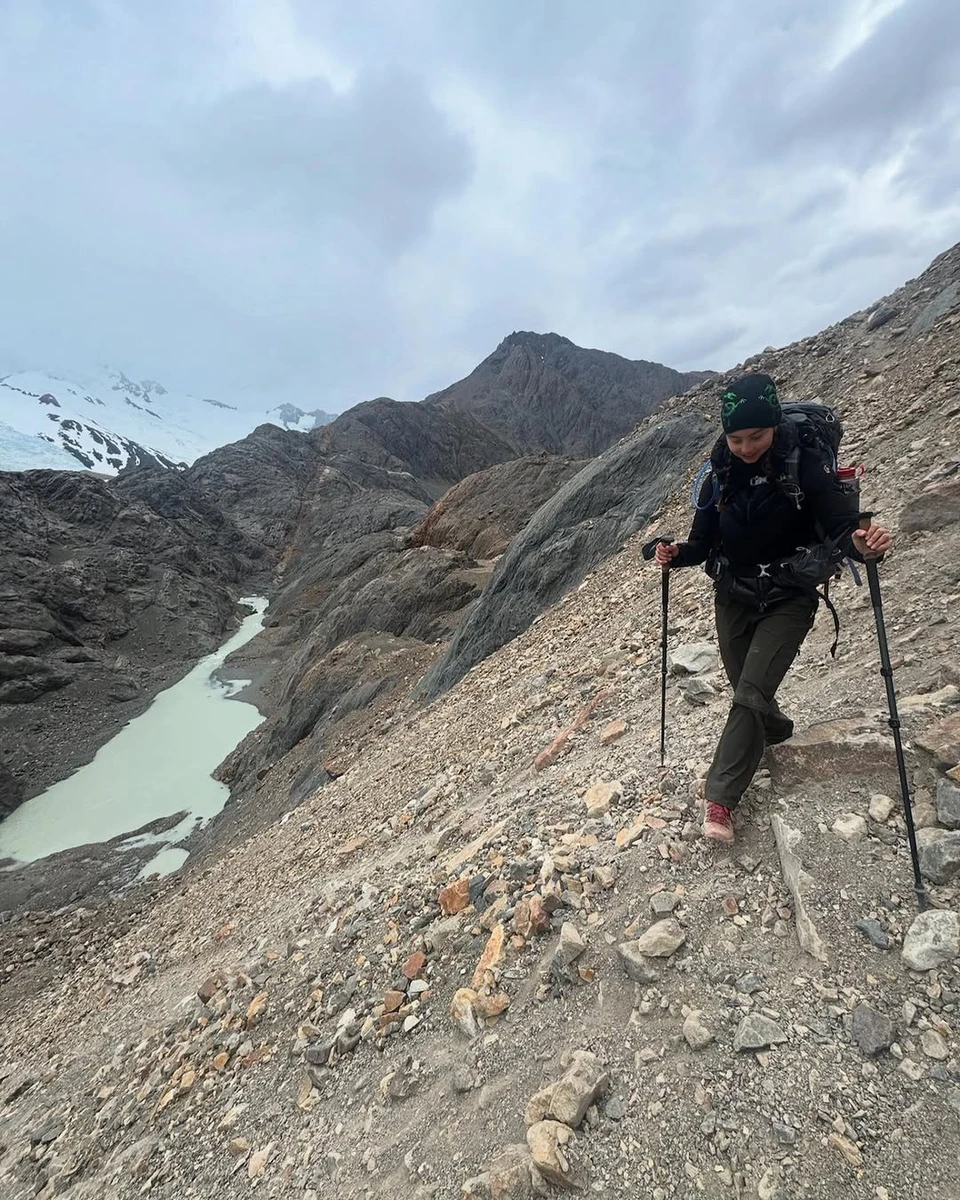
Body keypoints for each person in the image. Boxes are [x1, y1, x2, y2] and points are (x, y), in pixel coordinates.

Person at [654, 373, 892, 844]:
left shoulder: (808, 460)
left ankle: (720, 798)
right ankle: (775, 727)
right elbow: (702, 544)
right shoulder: (717, 470)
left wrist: (865, 544)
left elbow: (841, 526)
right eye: (736, 437)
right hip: (734, 595)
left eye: (756, 436)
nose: (745, 447)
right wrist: (674, 552)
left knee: (749, 691)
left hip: (789, 594)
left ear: (774, 424)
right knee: (747, 683)